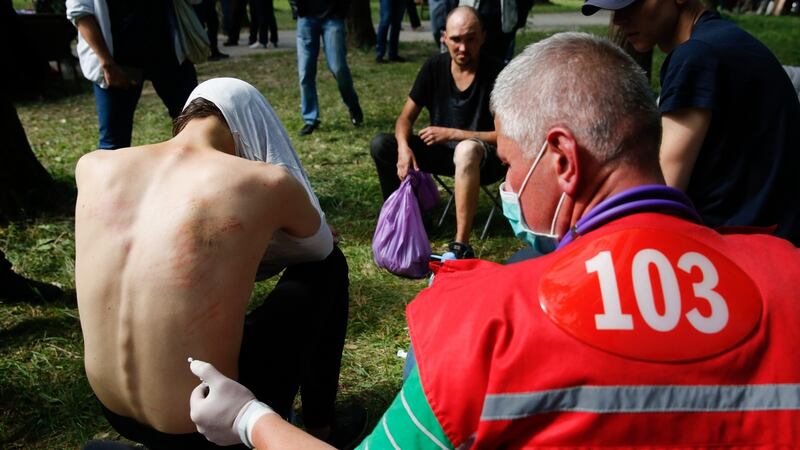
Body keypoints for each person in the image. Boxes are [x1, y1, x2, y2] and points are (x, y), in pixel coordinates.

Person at [188, 32, 800, 449]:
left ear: (562, 159)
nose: (505, 183)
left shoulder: (482, 324)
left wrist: (248, 418)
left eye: (507, 162)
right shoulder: (786, 273)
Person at [75, 77, 351, 450]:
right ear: (254, 128)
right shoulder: (266, 182)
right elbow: (319, 247)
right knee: (330, 268)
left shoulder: (94, 167)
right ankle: (320, 427)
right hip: (204, 421)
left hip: (114, 408)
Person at [582, 0, 800, 245]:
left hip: (739, 254)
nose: (618, 19)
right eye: (613, 9)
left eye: (631, 4)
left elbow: (659, 195)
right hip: (775, 240)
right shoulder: (725, 39)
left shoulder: (696, 56)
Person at [370, 6, 506, 259]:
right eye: (456, 39)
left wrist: (452, 133)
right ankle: (410, 220)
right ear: (444, 37)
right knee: (382, 144)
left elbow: (503, 137)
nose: (463, 48)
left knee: (466, 150)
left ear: (483, 37)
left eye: (471, 39)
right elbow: (404, 118)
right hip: (441, 154)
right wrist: (403, 147)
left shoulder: (497, 73)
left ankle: (460, 245)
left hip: (484, 160)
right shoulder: (434, 66)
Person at [66, 0, 198, 150]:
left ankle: (192, 171)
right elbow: (80, 13)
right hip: (119, 60)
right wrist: (106, 62)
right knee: (114, 143)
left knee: (194, 127)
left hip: (169, 52)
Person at [289, 0, 364, 136]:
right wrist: (296, 8)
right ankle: (310, 119)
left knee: (338, 68)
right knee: (305, 71)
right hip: (306, 17)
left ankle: (353, 105)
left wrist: (341, 11)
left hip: (332, 17)